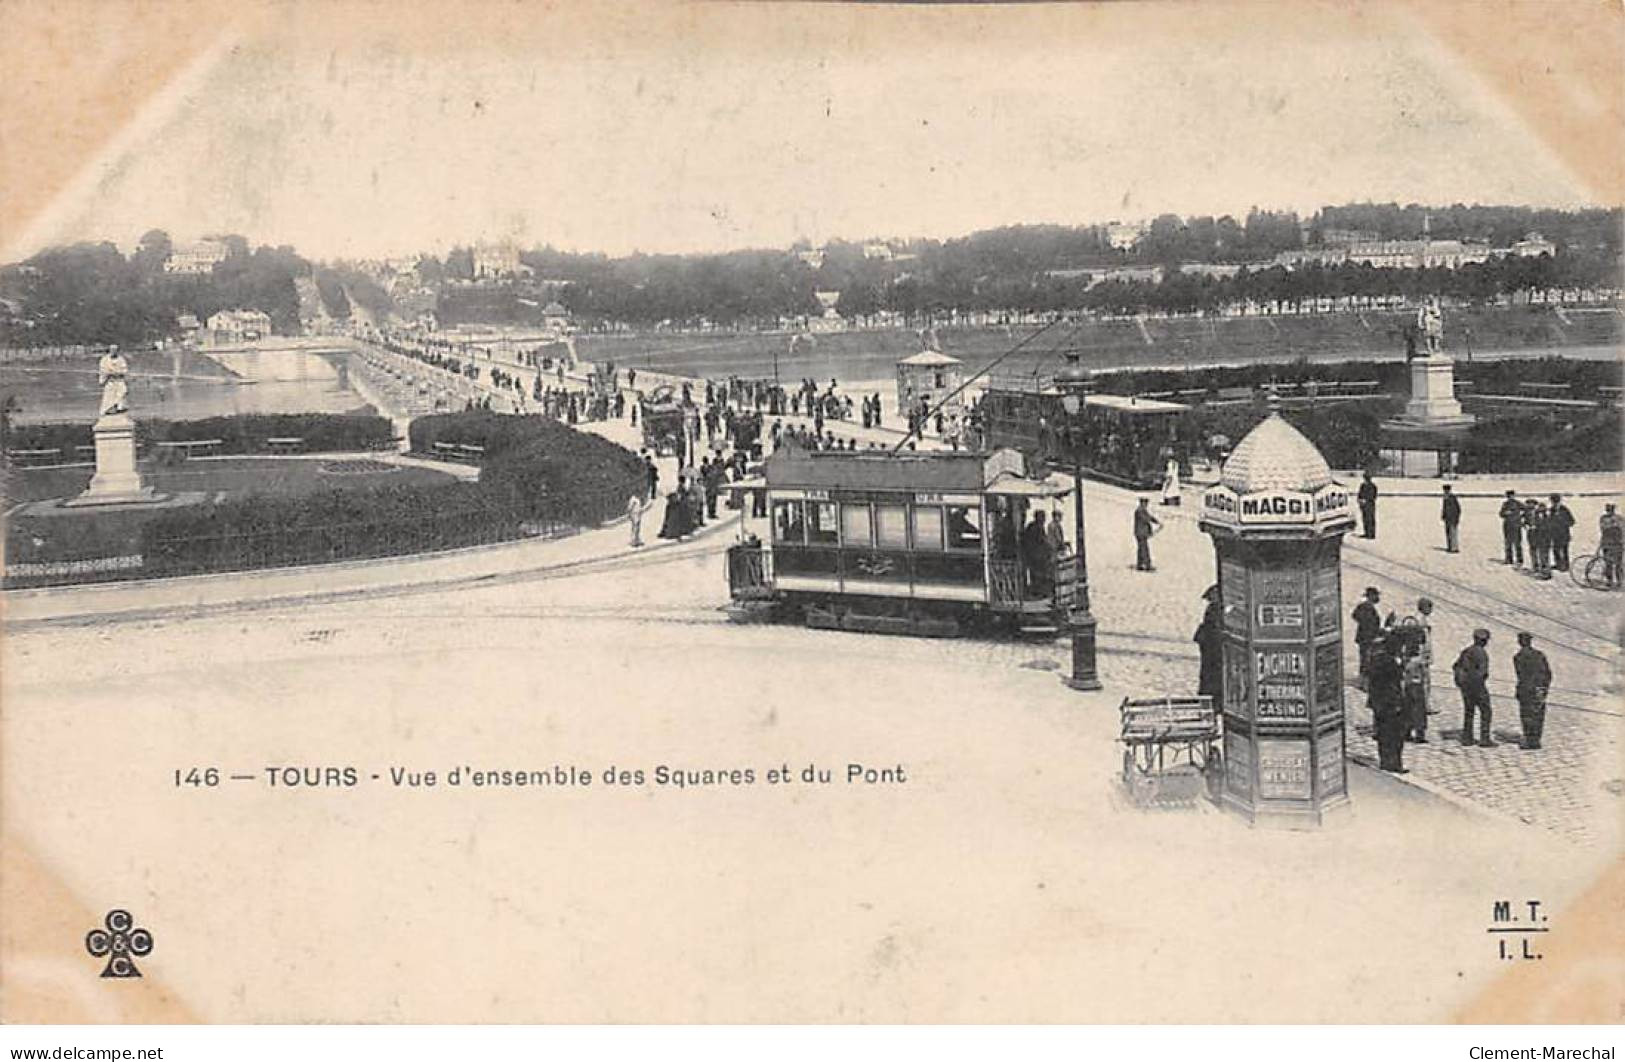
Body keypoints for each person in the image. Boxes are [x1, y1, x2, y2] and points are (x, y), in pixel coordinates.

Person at [1369, 633, 1408, 773]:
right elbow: (1396, 682)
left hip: (1379, 703)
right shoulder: (1391, 663)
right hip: (1391, 703)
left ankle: (1385, 761)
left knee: (1383, 733)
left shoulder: (1376, 659)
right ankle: (1395, 763)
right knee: (1396, 734)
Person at [1452, 628, 1494, 747]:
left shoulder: (1467, 650)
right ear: (1484, 641)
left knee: (1469, 711)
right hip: (1477, 686)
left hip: (1466, 687)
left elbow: (1456, 665)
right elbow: (1483, 672)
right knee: (1486, 711)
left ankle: (1467, 737)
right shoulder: (1481, 653)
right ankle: (1484, 738)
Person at [1512, 632, 1552, 750]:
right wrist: (1544, 688)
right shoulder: (1540, 655)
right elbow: (1548, 673)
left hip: (1526, 689)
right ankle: (1536, 740)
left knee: (1526, 714)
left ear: (1519, 642)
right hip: (1539, 688)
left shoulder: (1518, 657)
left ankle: (1529, 740)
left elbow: (1520, 675)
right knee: (1538, 714)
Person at [1194, 585, 1224, 715]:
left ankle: (1209, 705)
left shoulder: (1213, 609)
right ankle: (1211, 705)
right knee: (1211, 677)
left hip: (1210, 646)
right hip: (1213, 647)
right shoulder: (1215, 610)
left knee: (1208, 676)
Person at [1351, 587, 1384, 690]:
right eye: (1376, 595)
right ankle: (1364, 684)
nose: (1377, 598)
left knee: (1364, 659)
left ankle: (1362, 682)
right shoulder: (1367, 607)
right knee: (1367, 660)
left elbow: (1355, 616)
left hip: (1363, 638)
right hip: (1368, 639)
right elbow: (1369, 624)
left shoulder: (1363, 606)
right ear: (1371, 596)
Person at [1402, 635, 1429, 743]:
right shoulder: (1419, 662)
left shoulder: (1406, 660)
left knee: (1407, 709)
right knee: (1419, 710)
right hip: (1417, 686)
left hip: (1408, 685)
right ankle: (1419, 734)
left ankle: (1406, 732)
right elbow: (1424, 677)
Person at [1020, 511, 1053, 597]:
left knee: (1035, 574)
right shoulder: (1037, 527)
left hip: (1032, 554)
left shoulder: (1031, 526)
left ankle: (1037, 591)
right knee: (1039, 573)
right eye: (1043, 517)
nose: (1044, 520)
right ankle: (1039, 592)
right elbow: (1041, 540)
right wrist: (1049, 547)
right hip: (1036, 555)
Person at [1132, 497, 1161, 572]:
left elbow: (1150, 517)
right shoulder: (1139, 511)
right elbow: (1147, 519)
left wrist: (1157, 522)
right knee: (1144, 549)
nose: (1146, 505)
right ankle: (1147, 565)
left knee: (1141, 549)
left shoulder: (1142, 510)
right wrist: (1156, 523)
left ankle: (1140, 564)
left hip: (1141, 533)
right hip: (1141, 533)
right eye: (1145, 503)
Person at [1548, 494, 1574, 572]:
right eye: (1553, 502)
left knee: (1564, 550)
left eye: (1556, 502)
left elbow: (1572, 521)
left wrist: (1561, 522)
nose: (1554, 504)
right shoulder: (1551, 510)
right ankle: (1558, 564)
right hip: (1555, 534)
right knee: (1555, 549)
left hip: (1564, 534)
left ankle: (1566, 565)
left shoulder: (1564, 509)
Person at [1601, 503, 1624, 589]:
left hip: (1617, 543)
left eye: (1610, 510)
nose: (1609, 512)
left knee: (1618, 564)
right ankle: (1609, 580)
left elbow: (1623, 530)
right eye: (1608, 510)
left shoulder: (1619, 519)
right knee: (1608, 564)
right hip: (1607, 543)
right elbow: (1603, 528)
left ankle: (1619, 581)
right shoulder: (1603, 518)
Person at [1499, 490, 1525, 566]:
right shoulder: (1505, 504)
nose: (1510, 497)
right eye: (1509, 496)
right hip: (1507, 525)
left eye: (1512, 496)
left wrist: (1520, 517)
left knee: (1517, 543)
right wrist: (1505, 513)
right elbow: (1500, 514)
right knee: (1508, 543)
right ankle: (1509, 558)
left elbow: (1525, 510)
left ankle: (1519, 559)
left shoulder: (1518, 503)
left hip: (1516, 525)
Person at [1357, 471, 1378, 539]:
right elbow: (1359, 494)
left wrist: (1365, 500)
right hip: (1364, 505)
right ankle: (1366, 532)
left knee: (1370, 519)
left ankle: (1371, 534)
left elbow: (1373, 496)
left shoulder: (1372, 486)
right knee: (1365, 518)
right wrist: (1360, 500)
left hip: (1369, 504)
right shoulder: (1362, 485)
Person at [1441, 484, 1461, 553]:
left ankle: (1454, 548)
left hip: (1452, 518)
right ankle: (1450, 547)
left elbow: (1457, 509)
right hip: (1447, 518)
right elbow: (1444, 508)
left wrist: (1456, 517)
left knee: (1453, 533)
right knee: (1448, 533)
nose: (1445, 492)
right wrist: (1443, 515)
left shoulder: (1452, 497)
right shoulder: (1445, 498)